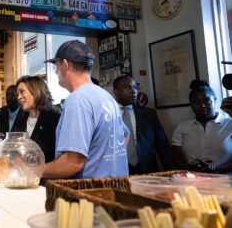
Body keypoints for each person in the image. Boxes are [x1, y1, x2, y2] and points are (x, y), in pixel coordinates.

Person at [43, 40, 129, 179]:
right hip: (114, 188)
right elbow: (124, 136)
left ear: (66, 64)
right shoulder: (106, 96)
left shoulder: (77, 100)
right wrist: (103, 160)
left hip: (89, 194)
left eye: (56, 66)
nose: (56, 71)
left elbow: (73, 163)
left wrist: (33, 170)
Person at [113, 75, 174, 174]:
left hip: (146, 169)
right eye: (127, 87)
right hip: (117, 169)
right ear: (116, 91)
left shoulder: (149, 114)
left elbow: (163, 147)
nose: (133, 91)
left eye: (134, 87)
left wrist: (172, 172)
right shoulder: (107, 114)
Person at [171, 80, 232, 173]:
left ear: (215, 100)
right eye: (196, 102)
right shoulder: (182, 127)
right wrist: (188, 170)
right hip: (194, 180)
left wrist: (216, 168)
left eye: (207, 101)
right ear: (191, 104)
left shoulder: (229, 124)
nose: (202, 106)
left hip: (225, 179)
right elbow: (175, 156)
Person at [11, 76, 60, 163]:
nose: (18, 97)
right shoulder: (20, 118)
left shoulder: (54, 119)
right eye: (18, 94)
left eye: (22, 92)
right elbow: (11, 145)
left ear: (36, 91)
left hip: (47, 174)